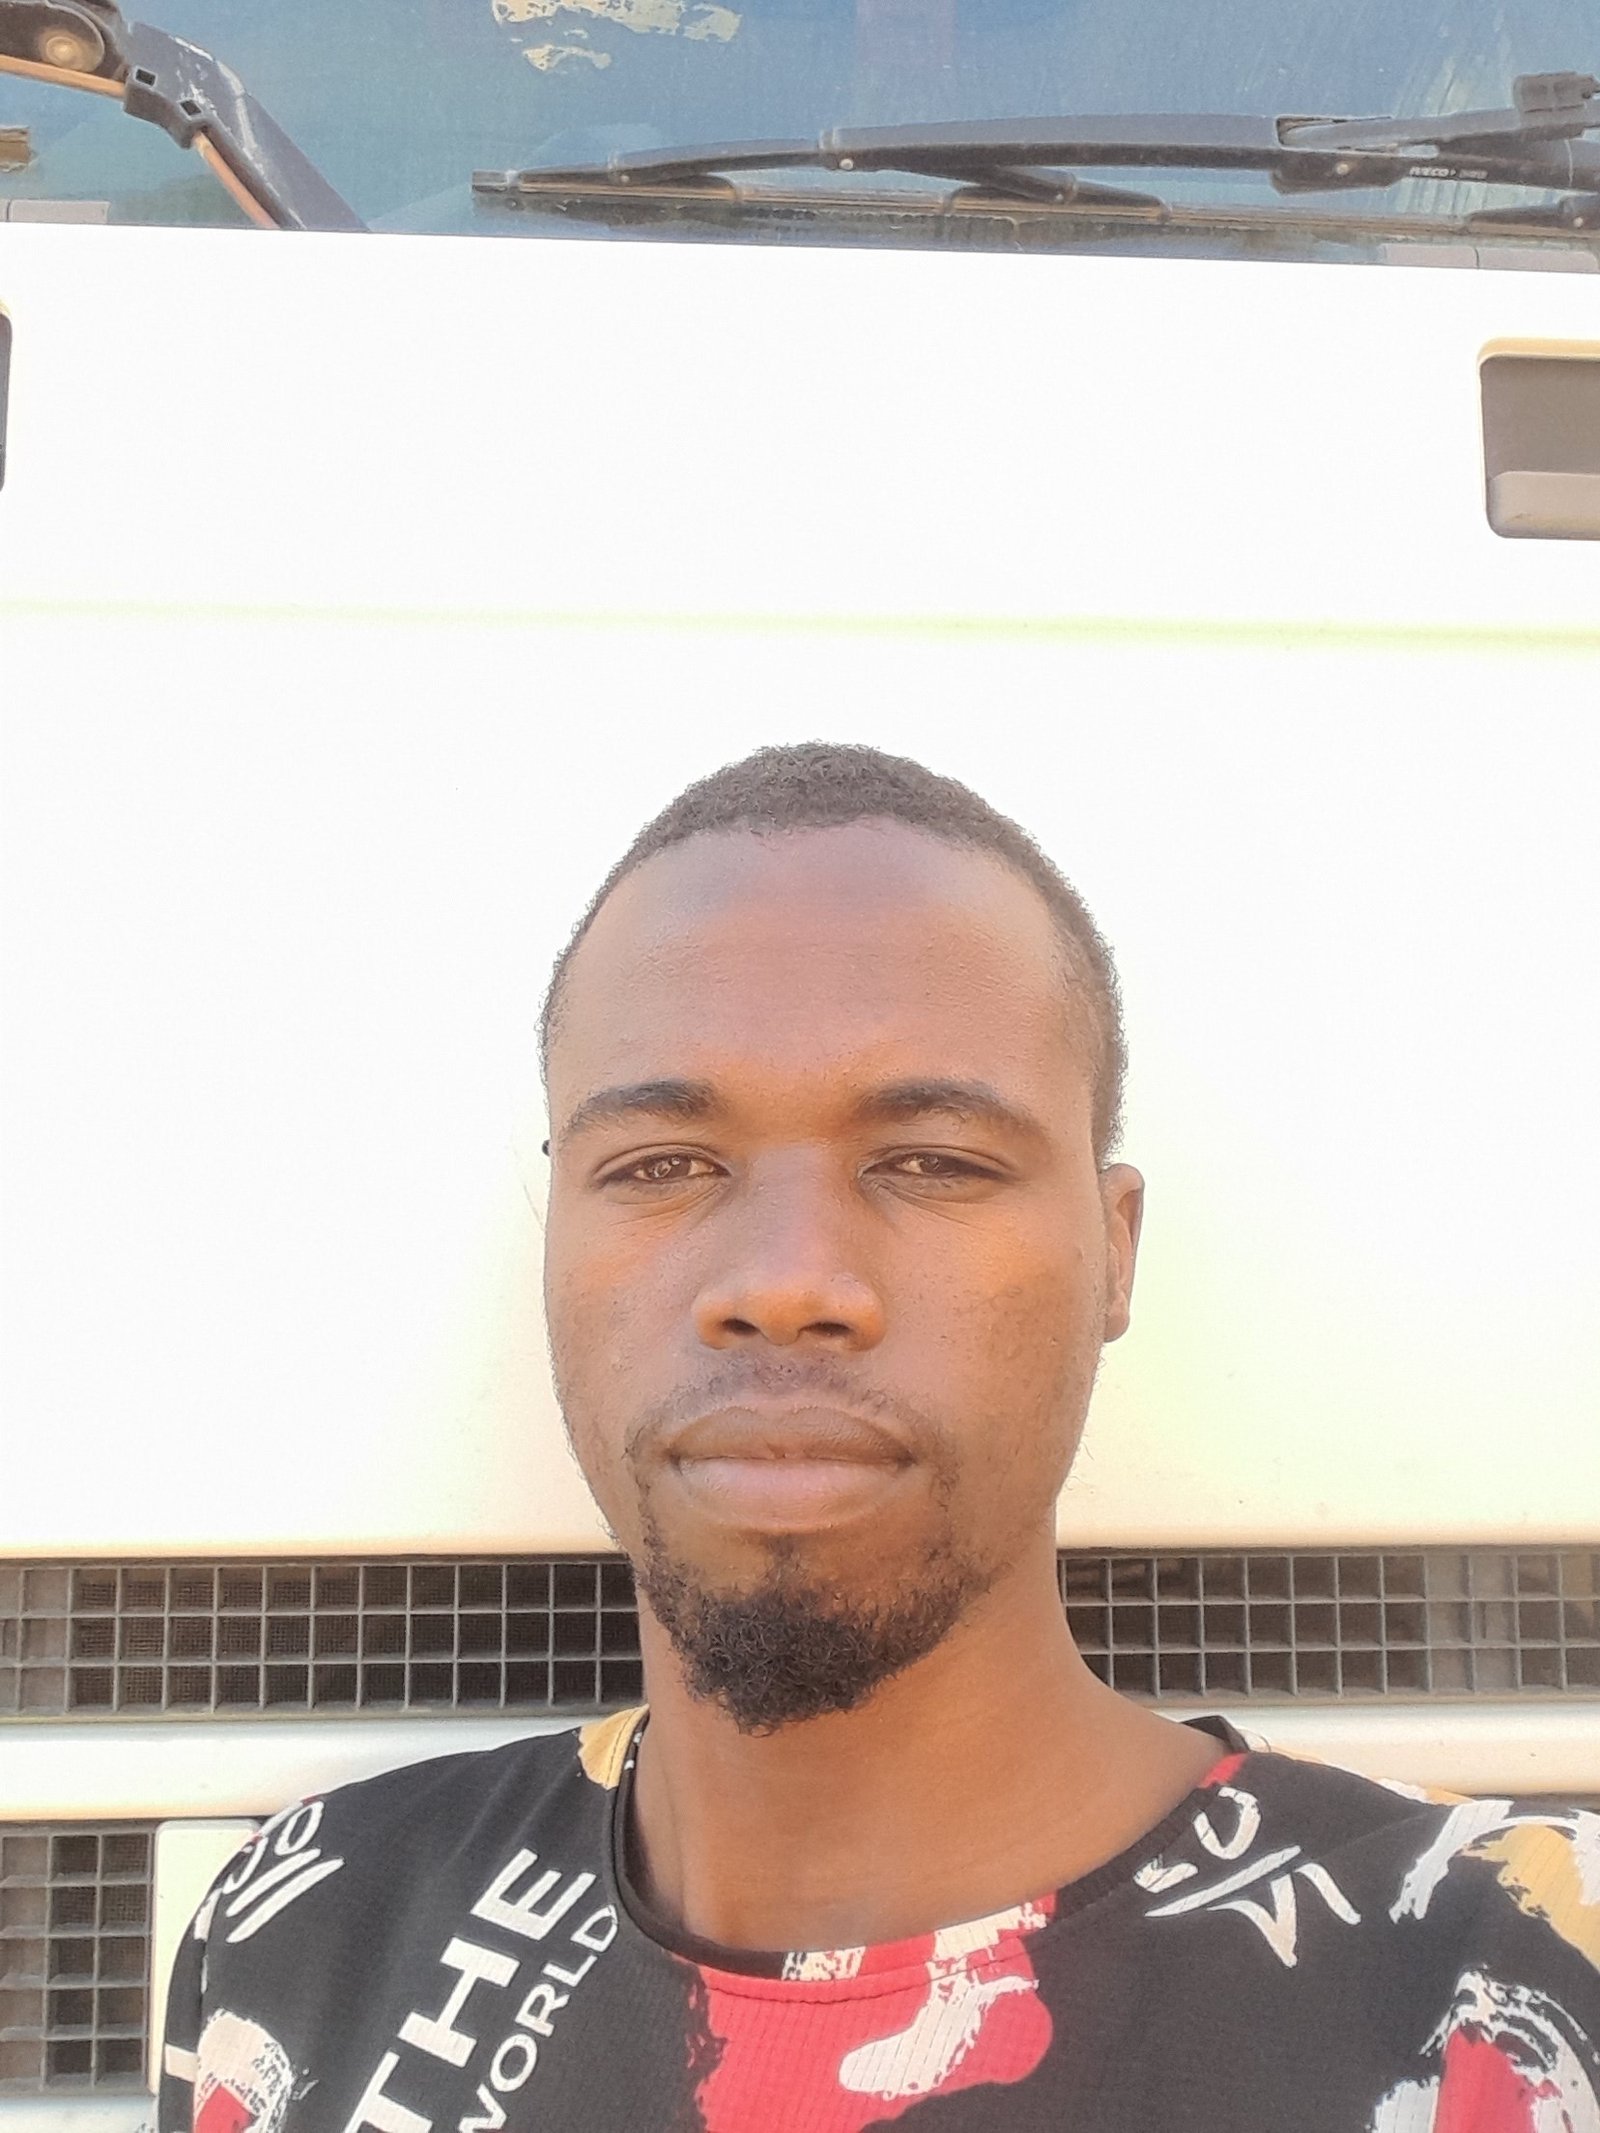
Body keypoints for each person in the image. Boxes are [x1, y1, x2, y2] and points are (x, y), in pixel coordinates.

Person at [159, 743, 1600, 2132]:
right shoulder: (309, 1936)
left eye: (932, 1161)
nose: (787, 1280)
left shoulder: (1507, 1985)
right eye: (661, 1164)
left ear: (1114, 1251)